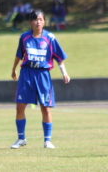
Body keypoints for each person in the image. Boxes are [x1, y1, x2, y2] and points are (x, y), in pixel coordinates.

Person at [10, 10, 70, 149]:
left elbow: (59, 57)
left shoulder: (50, 37)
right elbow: (19, 55)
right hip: (26, 74)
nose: (38, 22)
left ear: (44, 21)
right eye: (35, 19)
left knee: (46, 108)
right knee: (19, 107)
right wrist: (13, 69)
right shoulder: (24, 37)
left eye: (41, 19)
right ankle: (21, 139)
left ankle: (47, 141)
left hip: (43, 75)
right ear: (30, 21)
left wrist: (64, 73)